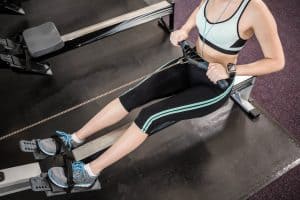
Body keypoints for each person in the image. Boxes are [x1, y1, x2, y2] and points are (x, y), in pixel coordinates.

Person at [39, 0, 285, 188]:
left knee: (150, 115)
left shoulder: (256, 10)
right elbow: (200, 11)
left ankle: (90, 173)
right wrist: (185, 29)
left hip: (213, 86)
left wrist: (231, 69)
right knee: (134, 95)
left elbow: (276, 61)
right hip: (189, 63)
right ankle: (74, 138)